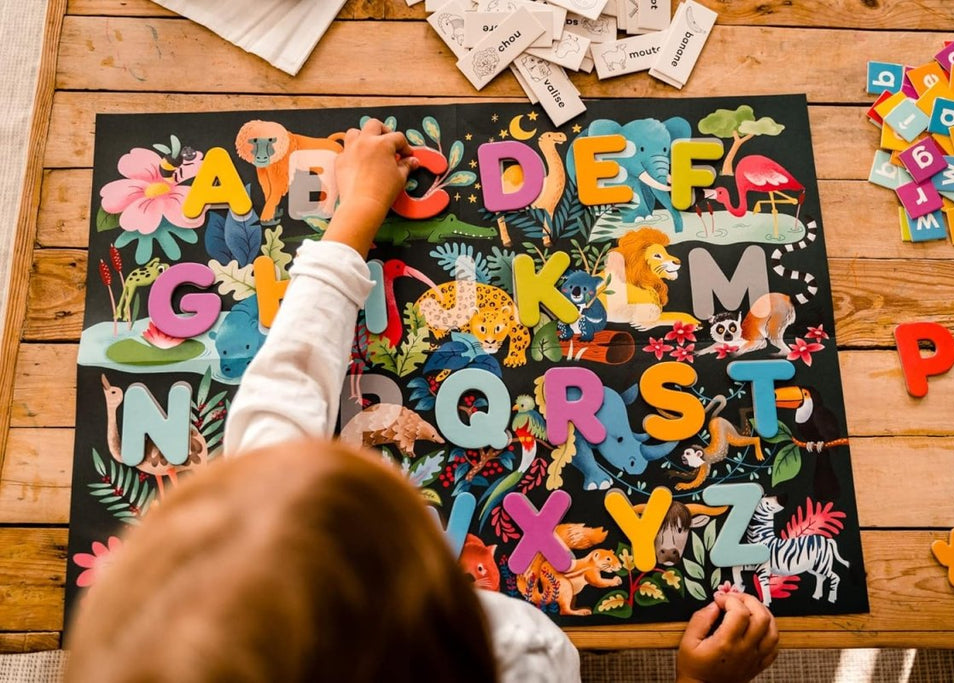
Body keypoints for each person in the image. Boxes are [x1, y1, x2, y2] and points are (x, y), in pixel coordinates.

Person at [66, 119, 778, 683]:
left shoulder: (244, 564)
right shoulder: (519, 657)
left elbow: (282, 391)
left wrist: (358, 210)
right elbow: (283, 400)